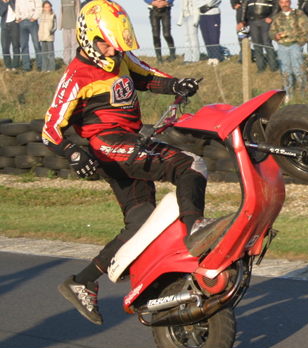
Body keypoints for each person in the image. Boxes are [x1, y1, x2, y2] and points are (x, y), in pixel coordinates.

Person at [45, 0, 211, 325]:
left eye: (115, 45)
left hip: (130, 142)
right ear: (88, 38)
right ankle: (196, 230)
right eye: (105, 43)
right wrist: (73, 152)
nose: (110, 50)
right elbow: (50, 130)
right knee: (189, 164)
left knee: (142, 223)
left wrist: (176, 84)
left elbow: (146, 77)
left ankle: (82, 281)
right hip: (109, 146)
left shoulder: (119, 57)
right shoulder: (77, 75)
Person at [269, 0, 308, 103]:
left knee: (299, 70)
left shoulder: (298, 14)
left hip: (295, 45)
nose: (284, 4)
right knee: (285, 72)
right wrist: (275, 36)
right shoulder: (277, 16)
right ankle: (288, 95)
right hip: (282, 46)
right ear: (279, 3)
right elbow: (271, 31)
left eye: (286, 2)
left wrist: (300, 43)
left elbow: (307, 29)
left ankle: (304, 95)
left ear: (290, 2)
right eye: (282, 2)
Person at [237, 0, 279, 73]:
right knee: (257, 45)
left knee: (267, 43)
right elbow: (244, 5)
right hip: (252, 21)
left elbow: (277, 4)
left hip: (265, 21)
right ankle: (260, 68)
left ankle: (273, 67)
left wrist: (271, 17)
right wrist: (242, 20)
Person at [15, 0, 42, 72]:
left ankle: (39, 65)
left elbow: (39, 7)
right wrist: (18, 18)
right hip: (22, 22)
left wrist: (34, 17)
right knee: (23, 45)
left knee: (36, 44)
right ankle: (26, 66)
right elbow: (16, 8)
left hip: (32, 21)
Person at [197, 0, 222, 65]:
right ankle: (210, 56)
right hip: (202, 14)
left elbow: (211, 2)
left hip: (213, 13)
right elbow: (196, 2)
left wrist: (204, 4)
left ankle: (216, 57)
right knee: (206, 37)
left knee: (214, 36)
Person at [0, 0, 20, 71]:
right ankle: (8, 66)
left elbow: (17, 10)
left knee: (16, 45)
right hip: (5, 26)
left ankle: (15, 65)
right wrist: (5, 3)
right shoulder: (1, 2)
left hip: (14, 25)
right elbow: (1, 13)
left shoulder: (14, 1)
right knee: (5, 47)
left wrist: (10, 2)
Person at [59, 0, 80, 66]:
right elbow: (61, 12)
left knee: (75, 44)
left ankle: (74, 60)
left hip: (74, 25)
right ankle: (66, 61)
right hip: (65, 25)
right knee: (66, 44)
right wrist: (60, 25)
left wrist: (78, 24)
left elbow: (78, 11)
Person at [37, 0, 55, 72]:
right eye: (46, 7)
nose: (47, 8)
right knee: (44, 54)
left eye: (48, 7)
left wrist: (50, 32)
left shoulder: (53, 15)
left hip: (49, 37)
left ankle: (51, 68)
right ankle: (44, 68)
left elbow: (54, 27)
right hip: (42, 37)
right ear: (43, 8)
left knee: (50, 54)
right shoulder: (41, 16)